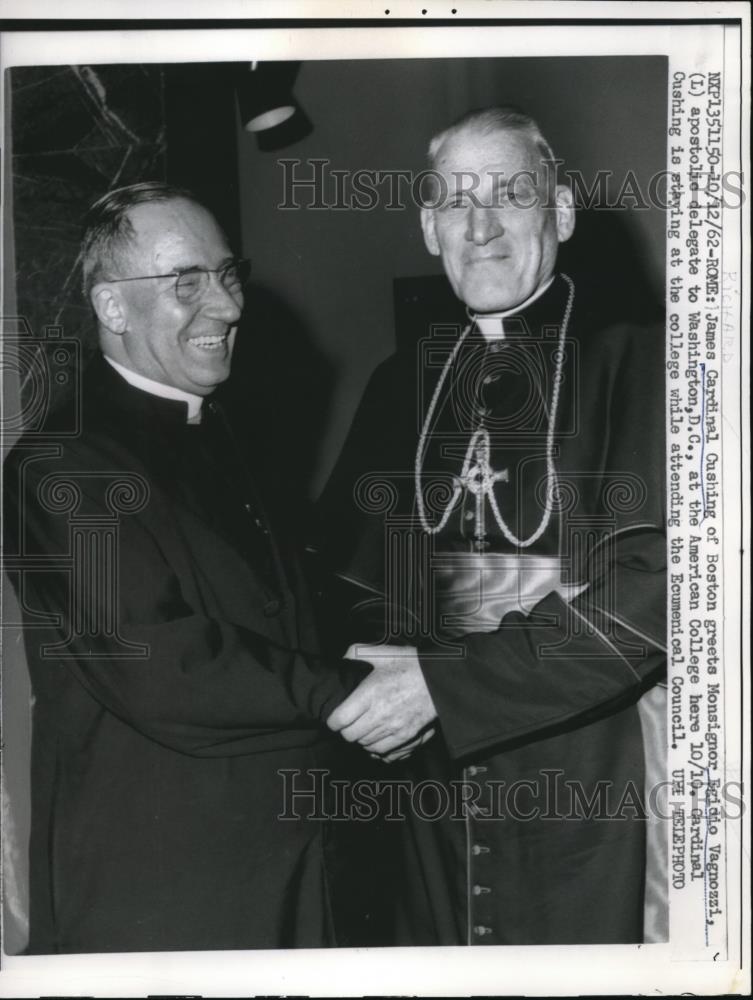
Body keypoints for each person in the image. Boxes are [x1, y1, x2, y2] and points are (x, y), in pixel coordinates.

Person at [319, 107, 667, 946]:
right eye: (451, 202)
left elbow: (658, 594)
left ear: (564, 212)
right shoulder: (400, 382)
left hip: (592, 778)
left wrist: (447, 683)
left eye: (509, 195)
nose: (479, 227)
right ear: (428, 229)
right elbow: (349, 579)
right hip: (426, 788)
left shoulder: (644, 364)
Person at [3, 182, 368, 954]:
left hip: (292, 863)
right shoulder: (60, 462)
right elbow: (166, 665)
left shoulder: (226, 431)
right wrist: (358, 692)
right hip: (165, 888)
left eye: (228, 274)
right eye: (186, 284)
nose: (228, 307)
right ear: (111, 308)